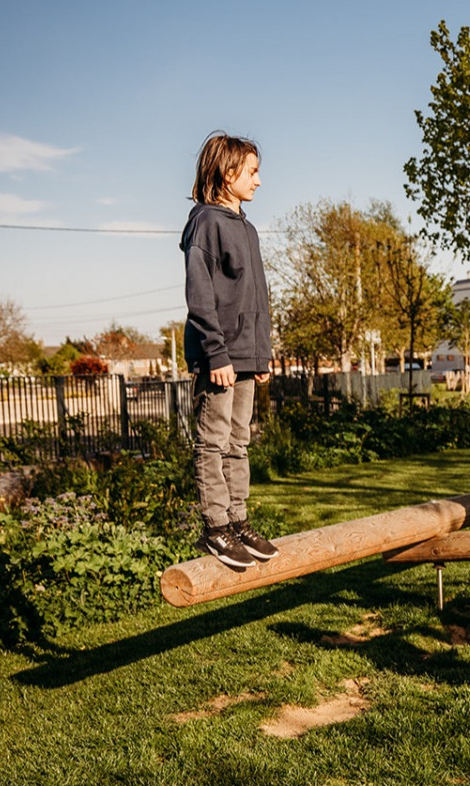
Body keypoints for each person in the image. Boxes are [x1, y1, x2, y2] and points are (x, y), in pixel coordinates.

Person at [182, 132, 280, 570]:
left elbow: (257, 296)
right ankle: (216, 528)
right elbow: (200, 296)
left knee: (240, 443)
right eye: (253, 171)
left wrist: (262, 355)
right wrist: (216, 354)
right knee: (214, 442)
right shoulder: (206, 222)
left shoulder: (249, 229)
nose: (259, 180)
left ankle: (238, 520)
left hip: (246, 355)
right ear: (228, 172)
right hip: (219, 358)